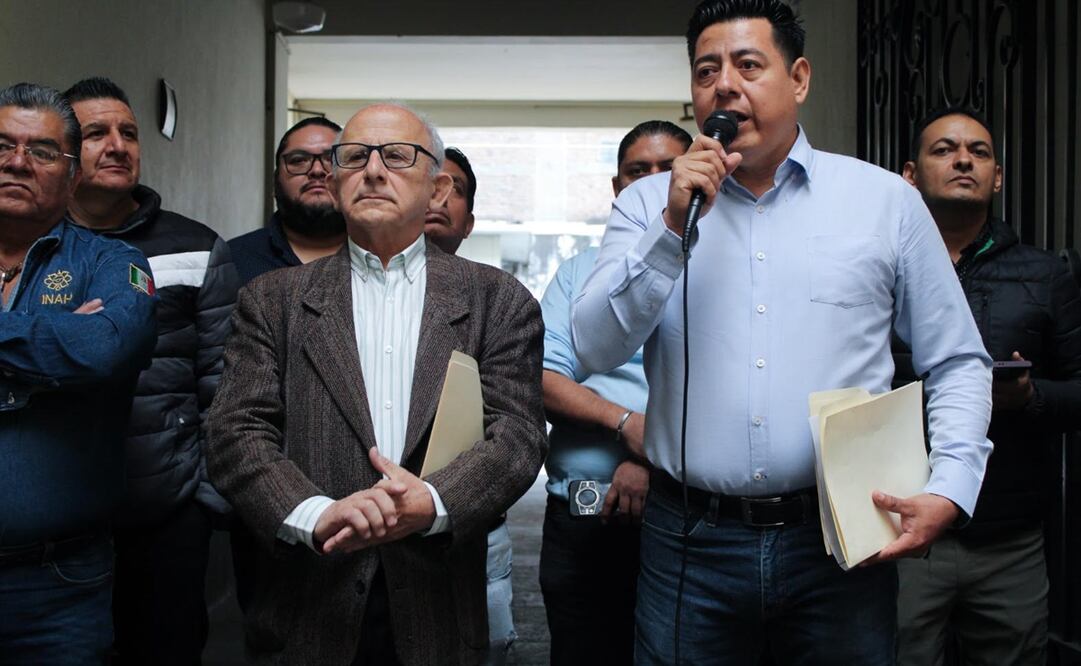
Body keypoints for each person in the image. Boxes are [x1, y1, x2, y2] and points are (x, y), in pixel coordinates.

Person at [571, 1, 994, 663]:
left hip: (840, 536)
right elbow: (595, 347)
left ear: (797, 79)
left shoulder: (883, 201)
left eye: (747, 65)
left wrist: (949, 485)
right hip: (688, 538)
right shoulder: (647, 205)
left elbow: (957, 361)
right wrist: (669, 233)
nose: (724, 85)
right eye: (705, 70)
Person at [207, 102, 547, 665]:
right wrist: (313, 512)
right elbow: (233, 432)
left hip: (437, 598)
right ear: (337, 179)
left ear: (438, 189)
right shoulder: (274, 300)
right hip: (311, 596)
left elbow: (517, 437)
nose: (372, 170)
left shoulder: (498, 300)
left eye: (396, 155)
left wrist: (435, 500)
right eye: (354, 156)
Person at [894, 107, 1081, 665]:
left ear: (997, 176)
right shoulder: (880, 267)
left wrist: (1029, 397)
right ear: (910, 174)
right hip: (900, 524)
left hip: (1009, 536)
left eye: (979, 152)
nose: (963, 160)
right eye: (945, 149)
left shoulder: (1045, 274)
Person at [63, 76, 239, 665]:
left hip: (166, 514)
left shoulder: (196, 248)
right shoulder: (32, 247)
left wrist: (204, 505)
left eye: (128, 132)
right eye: (96, 134)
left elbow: (226, 385)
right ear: (63, 149)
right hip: (55, 518)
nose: (117, 145)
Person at [0, 82, 156, 663]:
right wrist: (53, 348)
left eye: (41, 152)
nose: (17, 162)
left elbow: (104, 349)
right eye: (3, 146)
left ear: (71, 177)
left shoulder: (114, 263)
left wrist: (76, 347)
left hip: (59, 584)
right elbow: (76, 351)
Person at [538, 120, 691, 666]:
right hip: (582, 511)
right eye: (638, 171)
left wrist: (655, 461)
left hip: (689, 514)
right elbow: (544, 378)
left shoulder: (719, 271)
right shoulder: (579, 274)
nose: (653, 182)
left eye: (669, 169)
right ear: (616, 187)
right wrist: (628, 424)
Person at [422, 145, 514, 664]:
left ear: (470, 220)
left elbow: (516, 431)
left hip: (475, 520)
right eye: (431, 183)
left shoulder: (497, 301)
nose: (440, 197)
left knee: (485, 647)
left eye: (454, 188)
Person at [229, 116, 346, 284]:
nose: (317, 170)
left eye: (331, 159)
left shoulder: (387, 257)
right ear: (276, 181)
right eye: (298, 160)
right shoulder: (231, 260)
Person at [424, 146, 475, 256]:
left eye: (454, 189)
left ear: (468, 225)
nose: (440, 198)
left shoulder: (491, 274)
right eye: (426, 183)